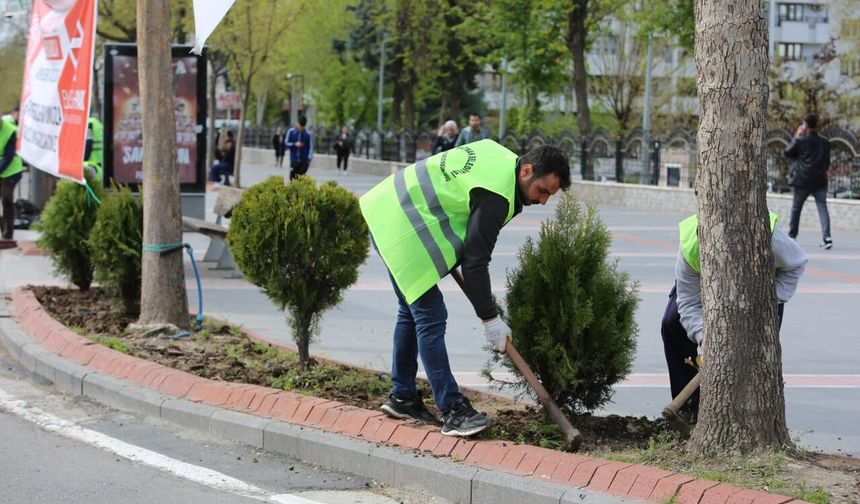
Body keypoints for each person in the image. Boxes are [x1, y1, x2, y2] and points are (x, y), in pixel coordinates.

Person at [360, 140, 571, 437]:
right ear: (526, 170)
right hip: (401, 226)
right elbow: (475, 261)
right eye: (543, 191)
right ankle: (453, 410)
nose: (544, 201)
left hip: (386, 207)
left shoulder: (498, 154)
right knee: (430, 314)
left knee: (411, 311)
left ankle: (403, 396)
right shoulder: (497, 194)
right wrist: (490, 319)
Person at [660, 212, 807, 419]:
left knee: (757, 347)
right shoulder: (691, 246)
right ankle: (690, 407)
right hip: (703, 290)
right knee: (673, 324)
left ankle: (747, 412)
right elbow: (688, 302)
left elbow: (796, 263)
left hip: (760, 292)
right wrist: (706, 338)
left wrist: (767, 302)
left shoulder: (768, 236)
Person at [785, 113, 832, 249]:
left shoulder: (801, 141)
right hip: (820, 181)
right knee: (822, 208)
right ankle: (827, 237)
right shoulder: (825, 142)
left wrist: (797, 136)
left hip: (802, 181)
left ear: (805, 124)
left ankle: (792, 236)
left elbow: (787, 152)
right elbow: (827, 162)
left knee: (796, 209)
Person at [0, 107, 24, 249]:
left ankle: (9, 233)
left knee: (7, 198)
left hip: (11, 169)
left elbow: (9, 156)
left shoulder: (10, 131)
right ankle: (2, 228)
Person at [285, 116, 313, 180]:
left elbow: (311, 147)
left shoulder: (308, 134)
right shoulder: (291, 132)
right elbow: (286, 143)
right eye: (299, 126)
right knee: (292, 180)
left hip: (304, 161)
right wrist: (294, 144)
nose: (300, 128)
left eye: (302, 127)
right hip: (294, 160)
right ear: (297, 123)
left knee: (301, 180)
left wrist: (309, 159)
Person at [83, 116, 104, 184]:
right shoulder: (98, 124)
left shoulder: (89, 123)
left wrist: (83, 159)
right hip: (99, 166)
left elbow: (88, 144)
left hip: (90, 165)